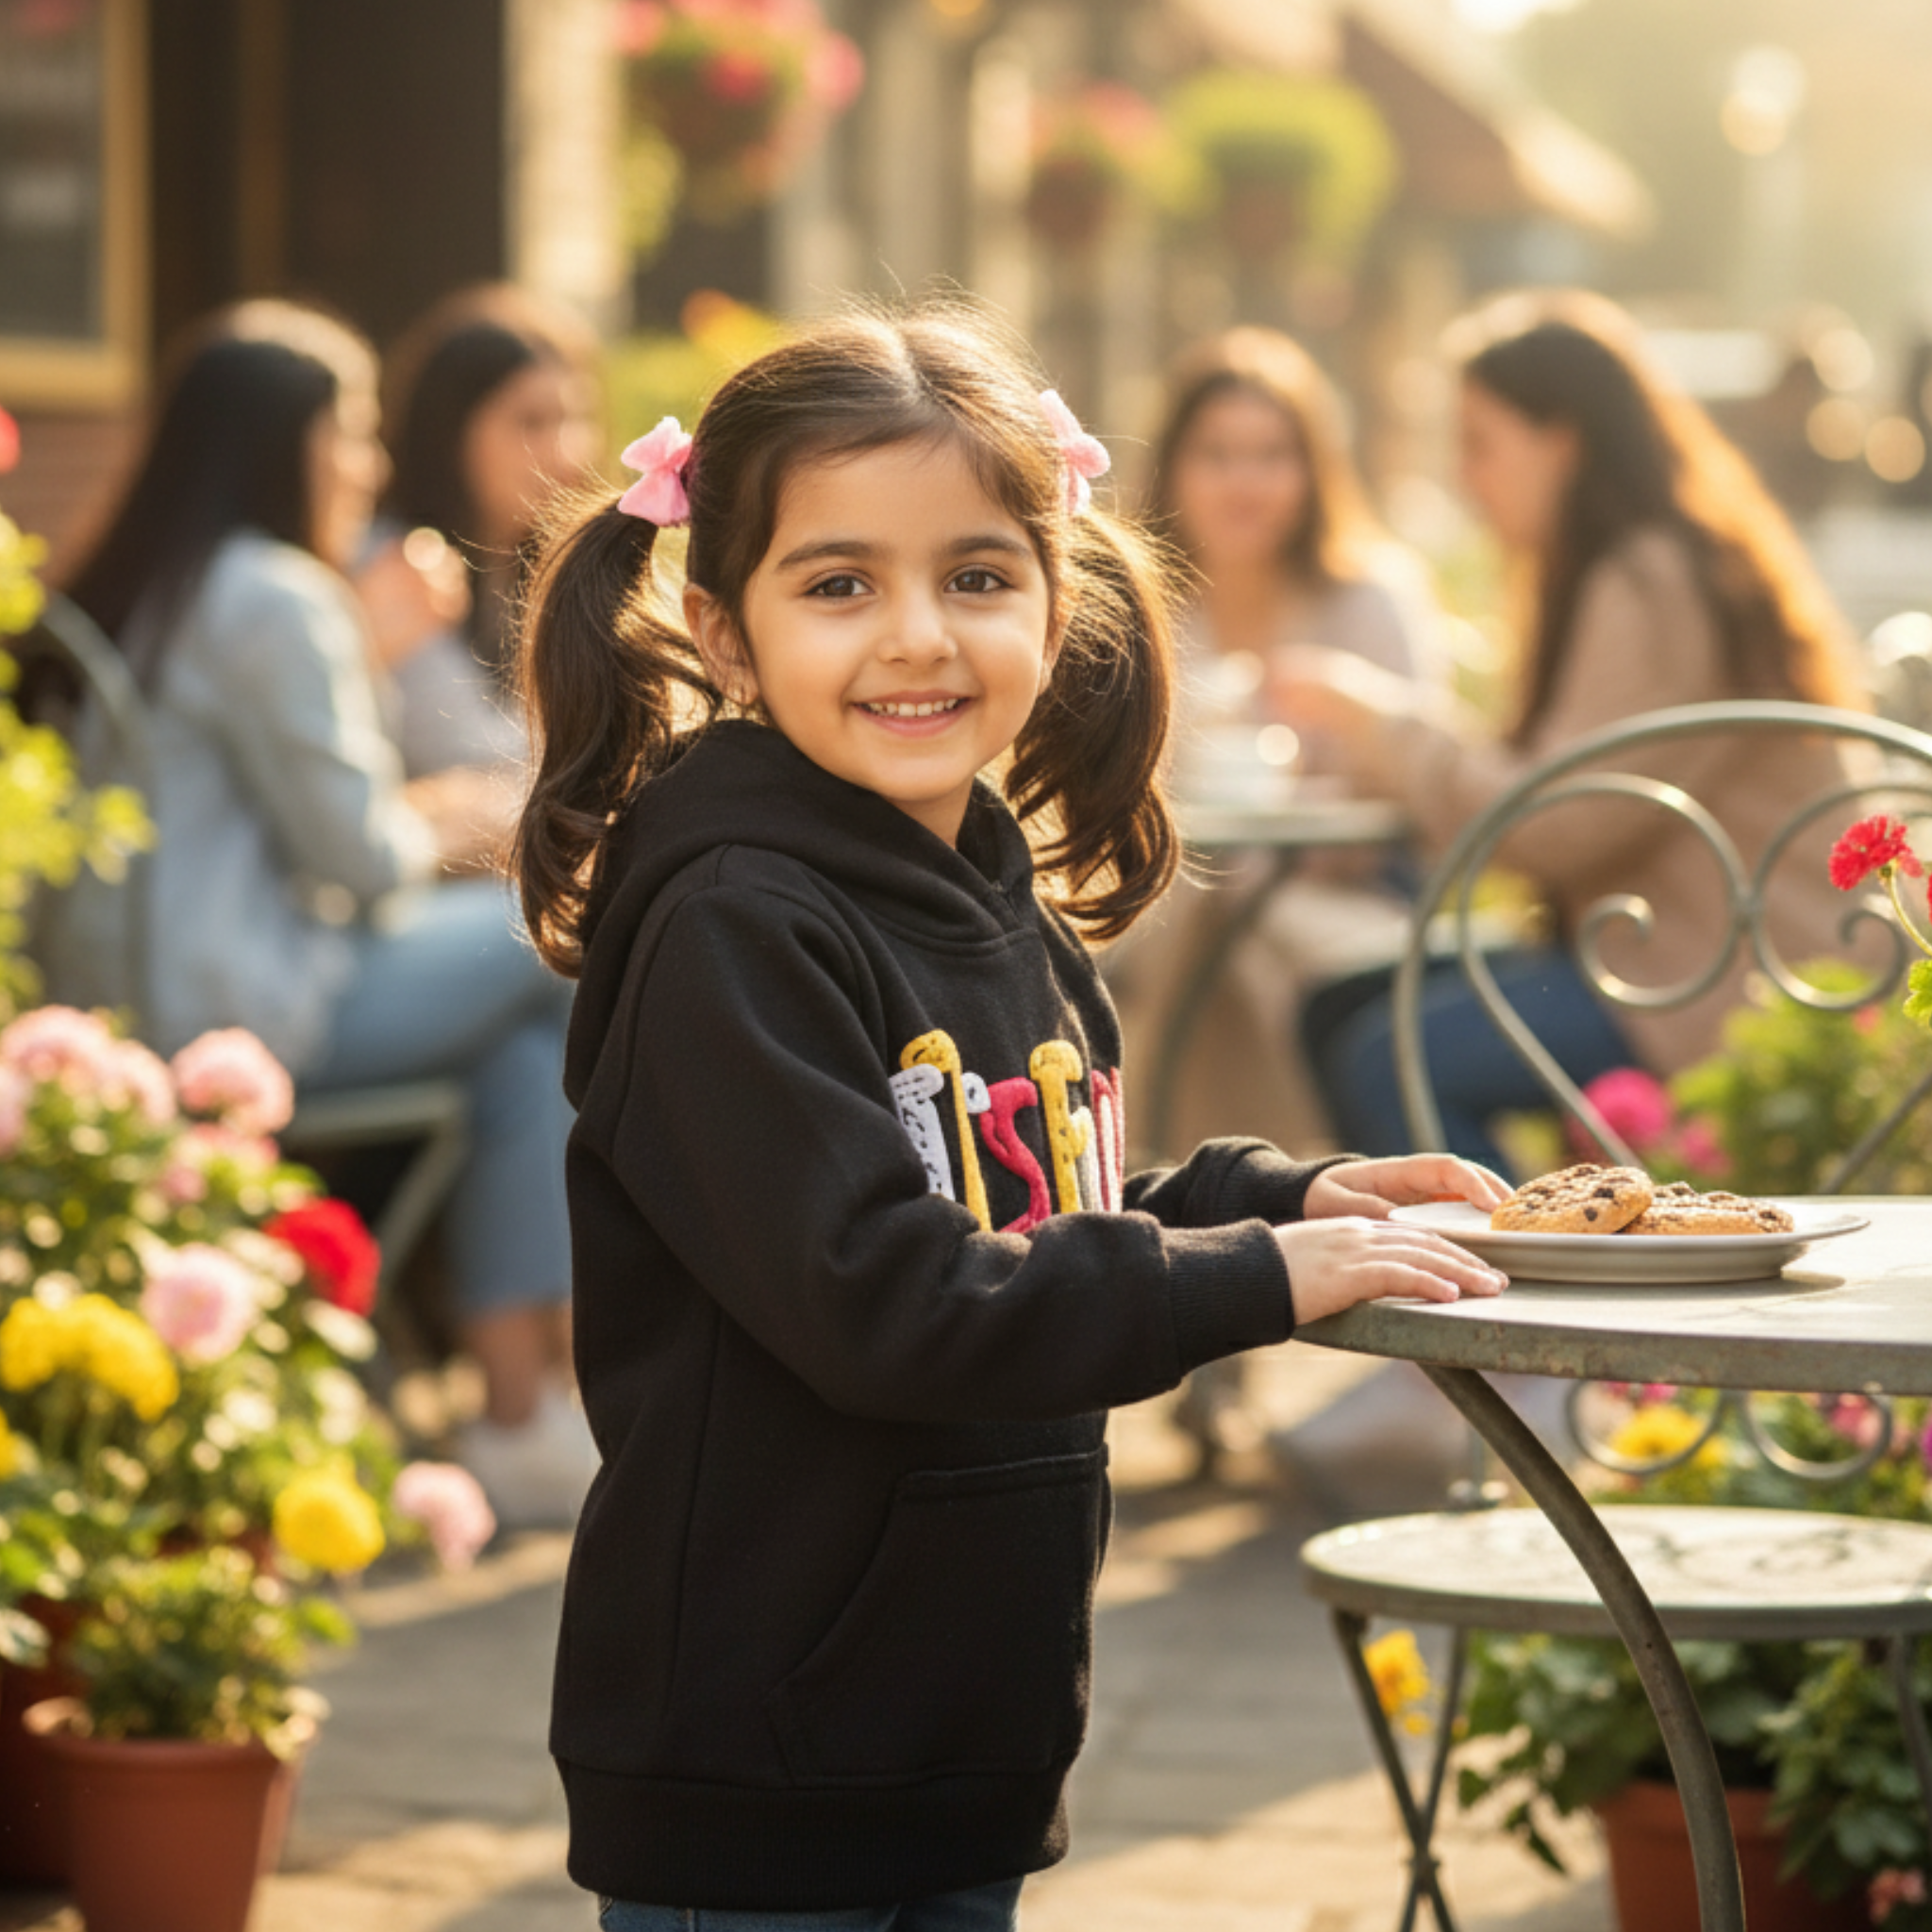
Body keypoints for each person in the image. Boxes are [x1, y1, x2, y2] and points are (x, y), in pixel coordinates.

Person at [512, 301, 1510, 1928]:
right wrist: (1249, 1279)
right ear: (724, 631)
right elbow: (888, 1297)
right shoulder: (731, 925)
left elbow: (1026, 1210)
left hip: (959, 1729)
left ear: (1058, 606)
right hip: (766, 1762)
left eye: (976, 575)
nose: (917, 633)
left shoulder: (983, 885)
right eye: (839, 583)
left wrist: (1277, 1198)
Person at [34, 298, 596, 1525]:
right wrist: (450, 813)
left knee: (518, 1053)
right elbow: (359, 858)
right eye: (346, 434)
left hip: (123, 1000)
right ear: (277, 444)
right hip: (248, 1007)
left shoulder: (139, 581)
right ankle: (549, 1394)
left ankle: (525, 1412)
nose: (370, 465)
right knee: (567, 941)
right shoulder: (274, 595)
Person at [1277, 289, 1871, 1170]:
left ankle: (1525, 1282)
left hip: (1736, 978)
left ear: (1562, 442)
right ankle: (1517, 1257)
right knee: (1337, 1009)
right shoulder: (1642, 561)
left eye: (1480, 443)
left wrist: (1386, 727)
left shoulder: (1650, 579)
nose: (1464, 475)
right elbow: (1561, 787)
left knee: (1388, 1060)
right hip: (1662, 952)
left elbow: (1559, 823)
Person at [1114, 328, 1450, 1472]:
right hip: (1197, 904)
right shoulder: (1145, 609)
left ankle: (1213, 1319)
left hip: (1354, 906)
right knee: (1211, 940)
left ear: (1313, 469)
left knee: (1221, 956)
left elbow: (1417, 791)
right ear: (1177, 468)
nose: (1245, 479)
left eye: (1272, 452)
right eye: (1218, 451)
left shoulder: (1369, 599)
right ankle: (1247, 1280)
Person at [360, 280, 603, 777]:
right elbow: (464, 755)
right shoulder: (399, 567)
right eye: (531, 423)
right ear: (449, 434)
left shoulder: (549, 570)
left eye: (576, 418)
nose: (568, 453)